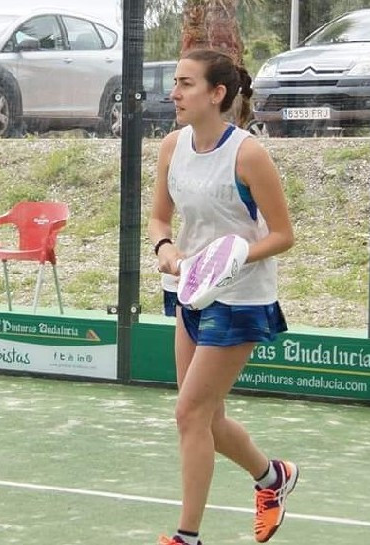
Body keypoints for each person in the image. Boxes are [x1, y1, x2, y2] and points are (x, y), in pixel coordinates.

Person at [148, 48, 298, 545]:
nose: (174, 93)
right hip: (188, 293)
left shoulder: (248, 154)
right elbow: (159, 218)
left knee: (189, 413)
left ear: (217, 94)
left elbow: (283, 235)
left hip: (239, 299)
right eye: (175, 82)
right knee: (207, 419)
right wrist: (166, 248)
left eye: (185, 84)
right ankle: (272, 477)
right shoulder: (172, 146)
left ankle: (186, 537)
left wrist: (229, 261)